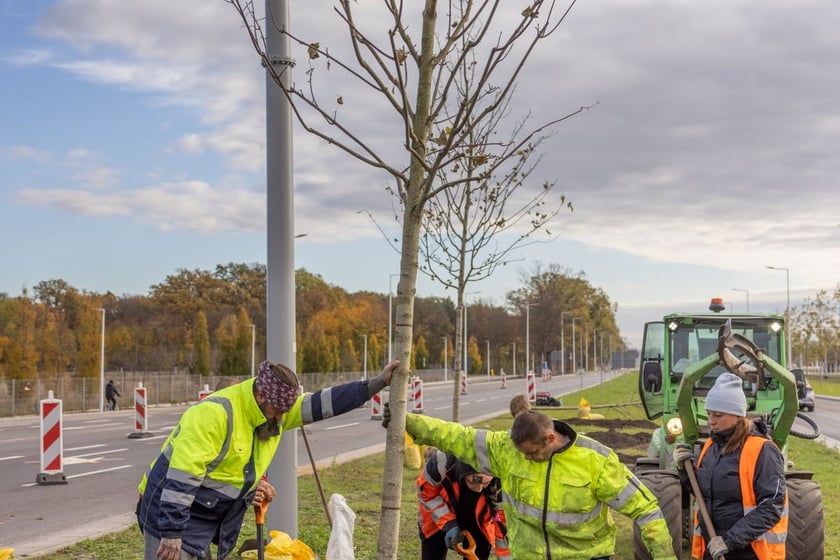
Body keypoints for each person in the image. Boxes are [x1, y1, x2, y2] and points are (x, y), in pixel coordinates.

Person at [137, 359, 399, 560]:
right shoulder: (214, 414)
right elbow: (182, 477)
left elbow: (325, 402)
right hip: (169, 510)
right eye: (278, 411)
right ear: (260, 395)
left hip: (207, 512)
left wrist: (377, 383)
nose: (281, 419)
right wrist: (171, 532)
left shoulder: (275, 409)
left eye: (286, 412)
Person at [394, 407, 677, 559]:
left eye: (532, 452)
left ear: (550, 439)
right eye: (523, 453)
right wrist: (405, 420)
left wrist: (664, 556)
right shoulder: (506, 449)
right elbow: (457, 436)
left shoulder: (596, 460)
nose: (527, 459)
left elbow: (646, 509)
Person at [672, 372, 787, 560]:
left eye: (718, 415)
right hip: (713, 549)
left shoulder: (762, 450)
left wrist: (729, 541)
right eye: (709, 413)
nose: (711, 420)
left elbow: (771, 506)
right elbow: (704, 494)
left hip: (749, 553)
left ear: (737, 416)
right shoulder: (710, 447)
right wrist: (684, 470)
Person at [417, 449, 511, 560]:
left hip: (479, 520)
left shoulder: (505, 483)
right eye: (473, 482)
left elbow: (501, 525)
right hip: (438, 512)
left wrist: (505, 557)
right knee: (433, 552)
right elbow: (427, 495)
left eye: (485, 483)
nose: (479, 489)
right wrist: (448, 523)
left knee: (479, 551)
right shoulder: (440, 463)